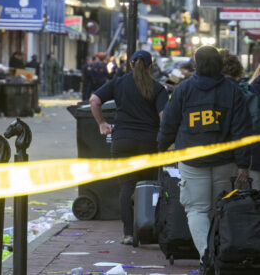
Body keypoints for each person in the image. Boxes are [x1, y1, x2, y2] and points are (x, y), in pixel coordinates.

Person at [157, 46, 251, 263]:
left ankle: (207, 257)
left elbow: (168, 124)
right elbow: (241, 131)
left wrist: (162, 149)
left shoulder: (183, 90)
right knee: (220, 209)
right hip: (224, 161)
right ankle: (219, 255)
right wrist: (243, 165)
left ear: (196, 64)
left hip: (192, 161)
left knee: (197, 210)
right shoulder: (232, 91)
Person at [90, 50, 169, 245]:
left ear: (131, 65)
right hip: (149, 142)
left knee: (126, 187)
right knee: (148, 186)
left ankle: (128, 233)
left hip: (122, 141)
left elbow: (94, 100)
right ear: (150, 66)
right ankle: (147, 230)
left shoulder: (118, 83)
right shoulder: (157, 88)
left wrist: (102, 123)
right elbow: (163, 117)